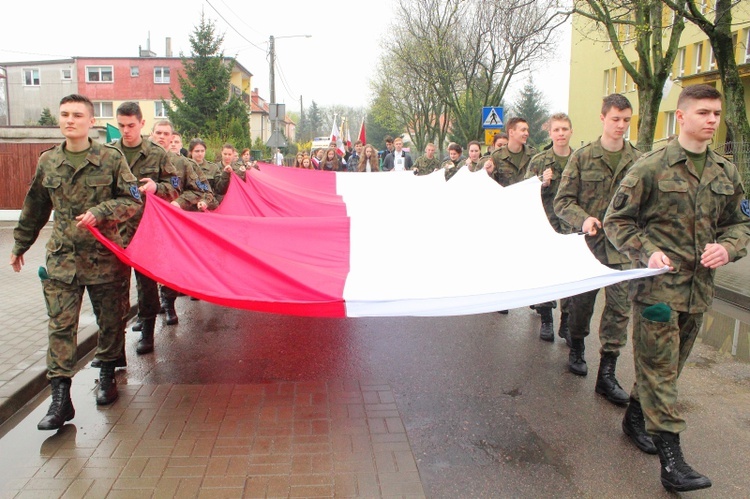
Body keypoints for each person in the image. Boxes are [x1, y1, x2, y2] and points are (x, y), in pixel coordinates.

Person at [604, 85, 750, 492]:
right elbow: (617, 222)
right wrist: (647, 252)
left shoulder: (725, 171)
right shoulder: (650, 167)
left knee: (668, 368)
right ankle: (673, 463)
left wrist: (729, 247)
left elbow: (740, 223)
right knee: (662, 375)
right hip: (657, 295)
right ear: (681, 117)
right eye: (704, 112)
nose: (712, 120)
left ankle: (635, 417)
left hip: (699, 292)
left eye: (717, 114)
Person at [10, 94, 142, 429]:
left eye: (77, 115)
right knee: (60, 326)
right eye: (65, 114)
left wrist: (101, 213)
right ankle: (60, 399)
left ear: (90, 122)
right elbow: (35, 206)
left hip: (104, 258)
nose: (70, 120)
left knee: (110, 320)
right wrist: (20, 244)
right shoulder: (49, 162)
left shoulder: (110, 159)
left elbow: (132, 201)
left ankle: (108, 375)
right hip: (62, 259)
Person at [553, 94, 641, 406]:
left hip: (622, 250)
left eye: (626, 120)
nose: (621, 125)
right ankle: (576, 345)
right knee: (582, 305)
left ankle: (607, 373)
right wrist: (584, 218)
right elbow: (562, 201)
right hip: (589, 247)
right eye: (615, 119)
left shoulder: (639, 160)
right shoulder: (583, 157)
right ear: (603, 118)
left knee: (619, 309)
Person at [112, 102, 180, 357]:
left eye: (131, 125)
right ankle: (114, 348)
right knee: (114, 288)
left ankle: (147, 332)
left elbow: (175, 184)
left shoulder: (157, 153)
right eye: (121, 126)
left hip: (146, 229)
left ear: (141, 124)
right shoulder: (108, 153)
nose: (126, 130)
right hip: (116, 232)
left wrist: (157, 187)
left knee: (146, 284)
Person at [525, 113, 575, 342]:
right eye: (557, 130)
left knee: (570, 274)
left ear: (571, 131)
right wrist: (541, 183)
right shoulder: (539, 160)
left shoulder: (581, 159)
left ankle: (567, 320)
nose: (561, 133)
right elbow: (524, 191)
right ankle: (546, 318)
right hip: (546, 224)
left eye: (565, 129)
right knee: (546, 273)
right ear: (550, 133)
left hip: (572, 227)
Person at [486, 118, 537, 186]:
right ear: (511, 132)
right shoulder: (497, 156)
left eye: (527, 130)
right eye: (523, 130)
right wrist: (488, 173)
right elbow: (491, 185)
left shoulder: (533, 154)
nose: (527, 133)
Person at [188, 138, 222, 205]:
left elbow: (220, 189)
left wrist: (226, 175)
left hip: (208, 204)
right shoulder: (184, 166)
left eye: (202, 151)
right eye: (197, 151)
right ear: (191, 152)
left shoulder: (213, 168)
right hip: (189, 204)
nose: (200, 154)